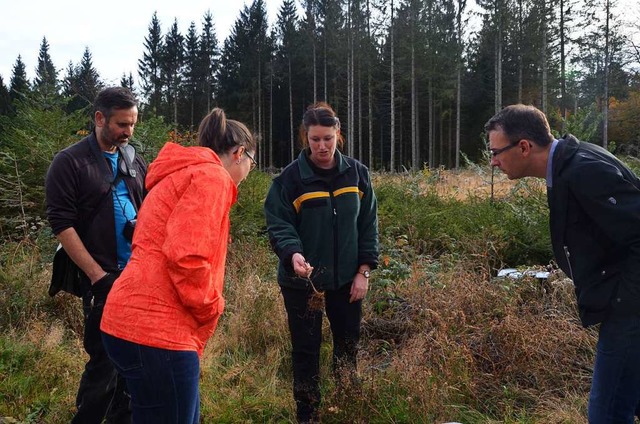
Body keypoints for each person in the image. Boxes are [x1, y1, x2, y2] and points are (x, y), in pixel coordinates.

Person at [100, 107, 257, 423]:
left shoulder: (179, 175)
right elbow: (186, 256)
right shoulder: (212, 177)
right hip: (157, 331)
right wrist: (210, 306)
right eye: (252, 163)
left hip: (130, 322)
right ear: (239, 153)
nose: (249, 171)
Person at [486, 104, 640, 423]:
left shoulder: (583, 170)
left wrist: (624, 304)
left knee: (606, 413)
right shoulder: (568, 164)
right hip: (626, 305)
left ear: (524, 147)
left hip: (629, 312)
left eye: (496, 152)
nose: (493, 161)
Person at [264, 102, 379, 423]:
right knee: (305, 351)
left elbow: (368, 225)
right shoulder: (289, 180)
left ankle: (346, 405)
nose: (322, 146)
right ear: (305, 137)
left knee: (347, 345)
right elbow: (279, 224)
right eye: (315, 139)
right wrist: (293, 254)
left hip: (347, 281)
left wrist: (364, 271)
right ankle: (308, 413)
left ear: (338, 135)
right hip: (303, 283)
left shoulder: (357, 173)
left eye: (328, 138)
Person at [45, 87, 146, 423]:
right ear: (99, 118)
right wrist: (97, 277)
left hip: (138, 276)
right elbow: (61, 223)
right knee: (103, 363)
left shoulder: (133, 159)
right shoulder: (70, 162)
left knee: (134, 365)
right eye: (121, 123)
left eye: (132, 124)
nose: (128, 131)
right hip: (102, 276)